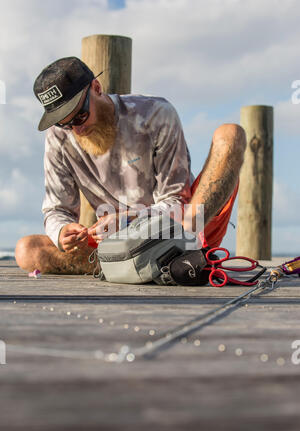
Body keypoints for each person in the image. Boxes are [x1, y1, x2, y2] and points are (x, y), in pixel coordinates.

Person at [15, 57, 246, 275]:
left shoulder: (156, 114)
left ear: (96, 88)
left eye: (80, 116)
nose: (77, 130)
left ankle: (175, 257)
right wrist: (62, 231)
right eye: (64, 124)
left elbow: (176, 202)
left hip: (184, 231)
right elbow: (57, 210)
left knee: (230, 134)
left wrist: (129, 218)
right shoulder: (58, 138)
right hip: (117, 241)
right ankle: (130, 267)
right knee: (27, 250)